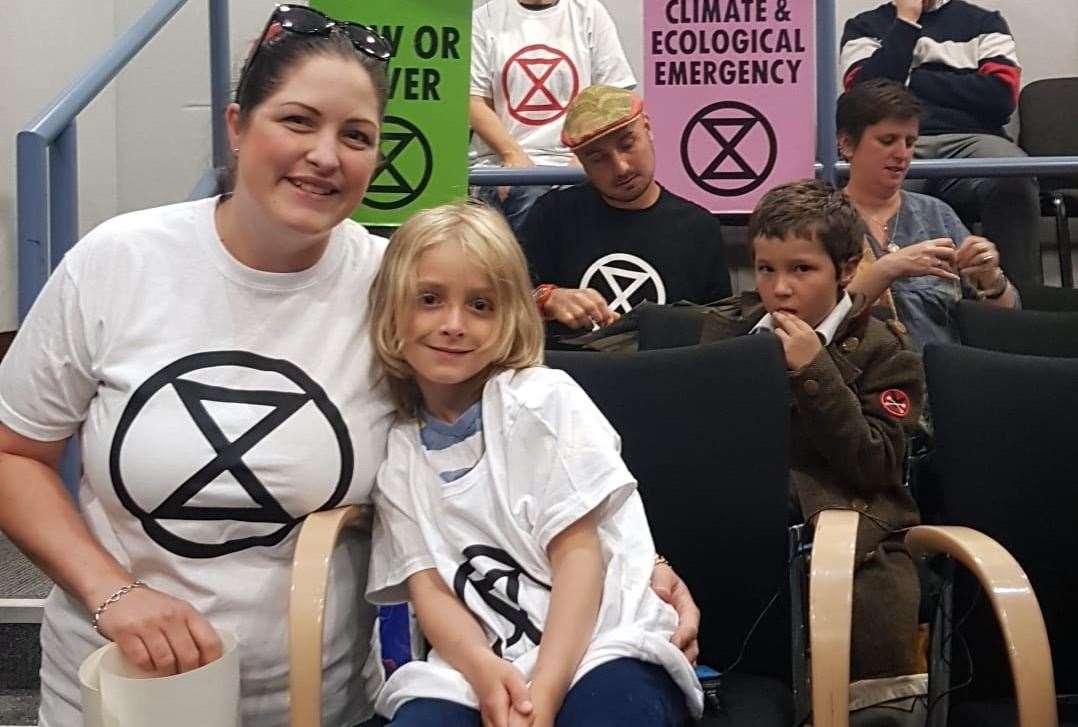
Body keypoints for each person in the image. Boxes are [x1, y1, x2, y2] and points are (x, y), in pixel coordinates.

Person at [0, 8, 701, 725]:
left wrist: (635, 558)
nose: (326, 155)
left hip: (317, 701)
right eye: (298, 121)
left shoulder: (402, 288)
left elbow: (520, 436)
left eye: (357, 136)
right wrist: (112, 592)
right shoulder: (115, 262)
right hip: (132, 692)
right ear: (236, 126)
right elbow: (14, 453)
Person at [365, 201, 703, 727]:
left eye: (480, 305)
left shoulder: (543, 402)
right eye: (429, 300)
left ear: (511, 318)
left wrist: (542, 697)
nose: (453, 324)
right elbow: (429, 588)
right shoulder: (399, 456)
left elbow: (578, 559)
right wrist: (482, 671)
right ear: (392, 312)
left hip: (599, 640)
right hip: (477, 660)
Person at [708, 180, 927, 720]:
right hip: (738, 534)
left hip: (851, 544)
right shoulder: (726, 337)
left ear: (847, 270)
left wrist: (815, 372)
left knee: (870, 625)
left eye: (801, 270)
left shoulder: (886, 351)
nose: (780, 288)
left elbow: (877, 465)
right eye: (765, 269)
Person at [840, 0, 1042, 287]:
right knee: (871, 189)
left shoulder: (985, 23)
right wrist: (907, 21)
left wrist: (912, 81)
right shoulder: (863, 27)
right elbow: (865, 101)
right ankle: (885, 302)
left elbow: (1000, 98)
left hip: (972, 141)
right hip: (901, 140)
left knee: (1014, 174)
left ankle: (1016, 298)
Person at [519, 85, 730, 335]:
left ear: (648, 128)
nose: (621, 168)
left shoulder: (699, 228)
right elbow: (501, 301)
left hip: (665, 371)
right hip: (572, 370)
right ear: (581, 161)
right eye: (598, 159)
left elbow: (718, 334)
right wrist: (546, 299)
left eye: (628, 145)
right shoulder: (552, 217)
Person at [838, 78, 1020, 351]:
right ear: (847, 145)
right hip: (856, 383)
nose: (902, 154)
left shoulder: (937, 214)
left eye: (910, 142)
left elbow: (1009, 323)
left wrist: (991, 277)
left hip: (943, 381)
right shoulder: (821, 219)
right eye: (887, 141)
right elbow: (817, 322)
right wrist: (888, 269)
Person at [470, 0, 636, 232]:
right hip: (504, 167)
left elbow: (614, 96)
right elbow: (474, 101)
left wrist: (583, 156)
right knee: (531, 196)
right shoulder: (484, 18)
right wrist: (512, 155)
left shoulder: (589, 12)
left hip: (579, 163)